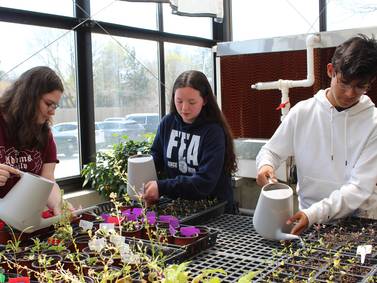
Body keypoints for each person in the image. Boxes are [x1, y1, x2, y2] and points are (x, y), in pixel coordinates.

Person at [256, 34, 377, 235]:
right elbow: (271, 151)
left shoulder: (373, 123)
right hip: (308, 221)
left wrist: (314, 214)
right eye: (344, 83)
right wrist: (265, 166)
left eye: (360, 86)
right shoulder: (303, 112)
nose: (350, 93)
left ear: (370, 83)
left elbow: (359, 188)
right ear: (331, 71)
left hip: (359, 222)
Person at [143, 70, 237, 213]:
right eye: (179, 101)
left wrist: (161, 187)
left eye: (192, 102)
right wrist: (141, 170)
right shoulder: (168, 123)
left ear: (205, 100)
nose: (184, 108)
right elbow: (157, 157)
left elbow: (204, 182)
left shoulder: (213, 132)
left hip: (215, 211)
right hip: (181, 208)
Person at [0, 66, 66, 215]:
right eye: (49, 104)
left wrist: (59, 204)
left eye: (55, 106)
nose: (52, 111)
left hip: (23, 220)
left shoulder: (44, 133)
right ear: (28, 96)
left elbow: (47, 179)